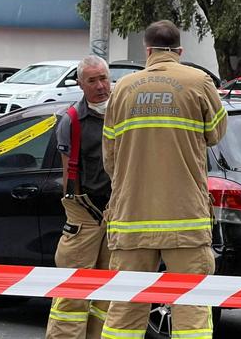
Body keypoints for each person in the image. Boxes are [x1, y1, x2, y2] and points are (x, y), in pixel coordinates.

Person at [100, 20, 227, 339]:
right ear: (180, 51)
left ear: (147, 50)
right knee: (192, 310)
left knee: (124, 311)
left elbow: (109, 159)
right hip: (185, 219)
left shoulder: (122, 89)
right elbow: (216, 134)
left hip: (132, 219)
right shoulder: (199, 82)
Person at [46, 55, 112, 339]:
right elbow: (66, 175)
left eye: (103, 79)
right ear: (80, 84)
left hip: (118, 212)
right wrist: (75, 209)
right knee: (74, 290)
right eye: (92, 80)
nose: (100, 86)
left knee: (109, 291)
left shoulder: (124, 114)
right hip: (84, 211)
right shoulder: (72, 120)